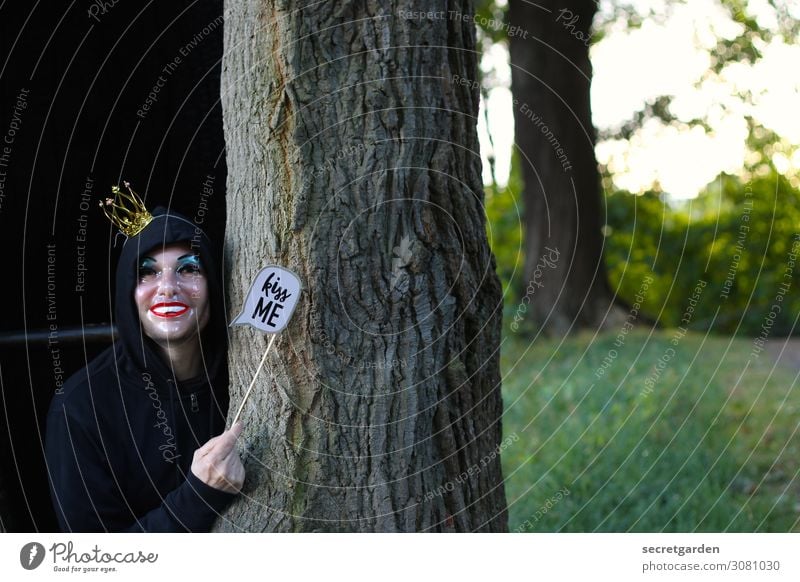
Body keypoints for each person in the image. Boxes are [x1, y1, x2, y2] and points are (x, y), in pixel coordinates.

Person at [45, 194, 245, 532]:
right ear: (127, 293)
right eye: (146, 273)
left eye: (189, 268)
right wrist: (197, 497)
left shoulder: (250, 372)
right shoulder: (81, 408)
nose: (167, 287)